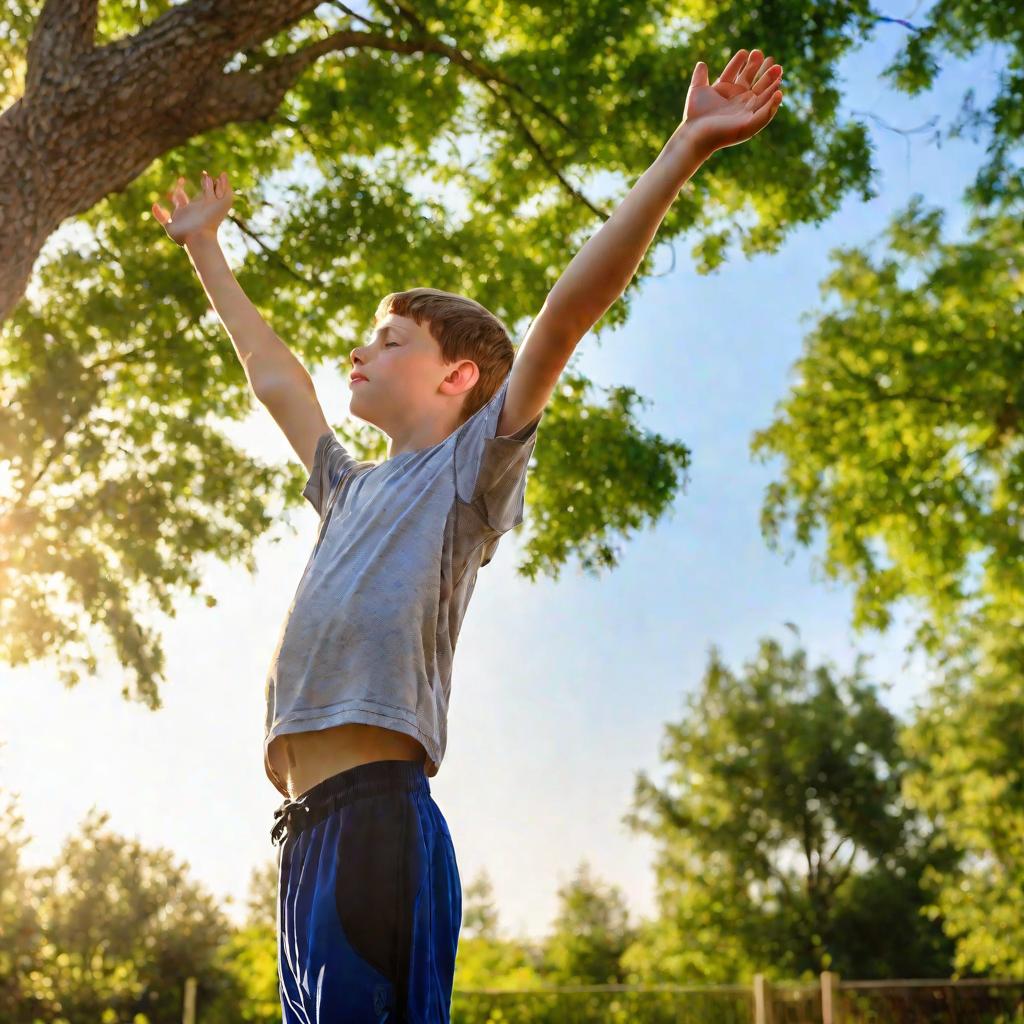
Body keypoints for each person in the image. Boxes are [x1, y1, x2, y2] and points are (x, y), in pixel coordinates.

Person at [150, 46, 783, 1023]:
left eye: (390, 338)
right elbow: (274, 376)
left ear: (456, 379)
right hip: (300, 837)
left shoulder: (467, 472)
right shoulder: (346, 488)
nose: (360, 349)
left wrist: (685, 147)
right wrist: (205, 249)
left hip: (376, 824)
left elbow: (562, 320)